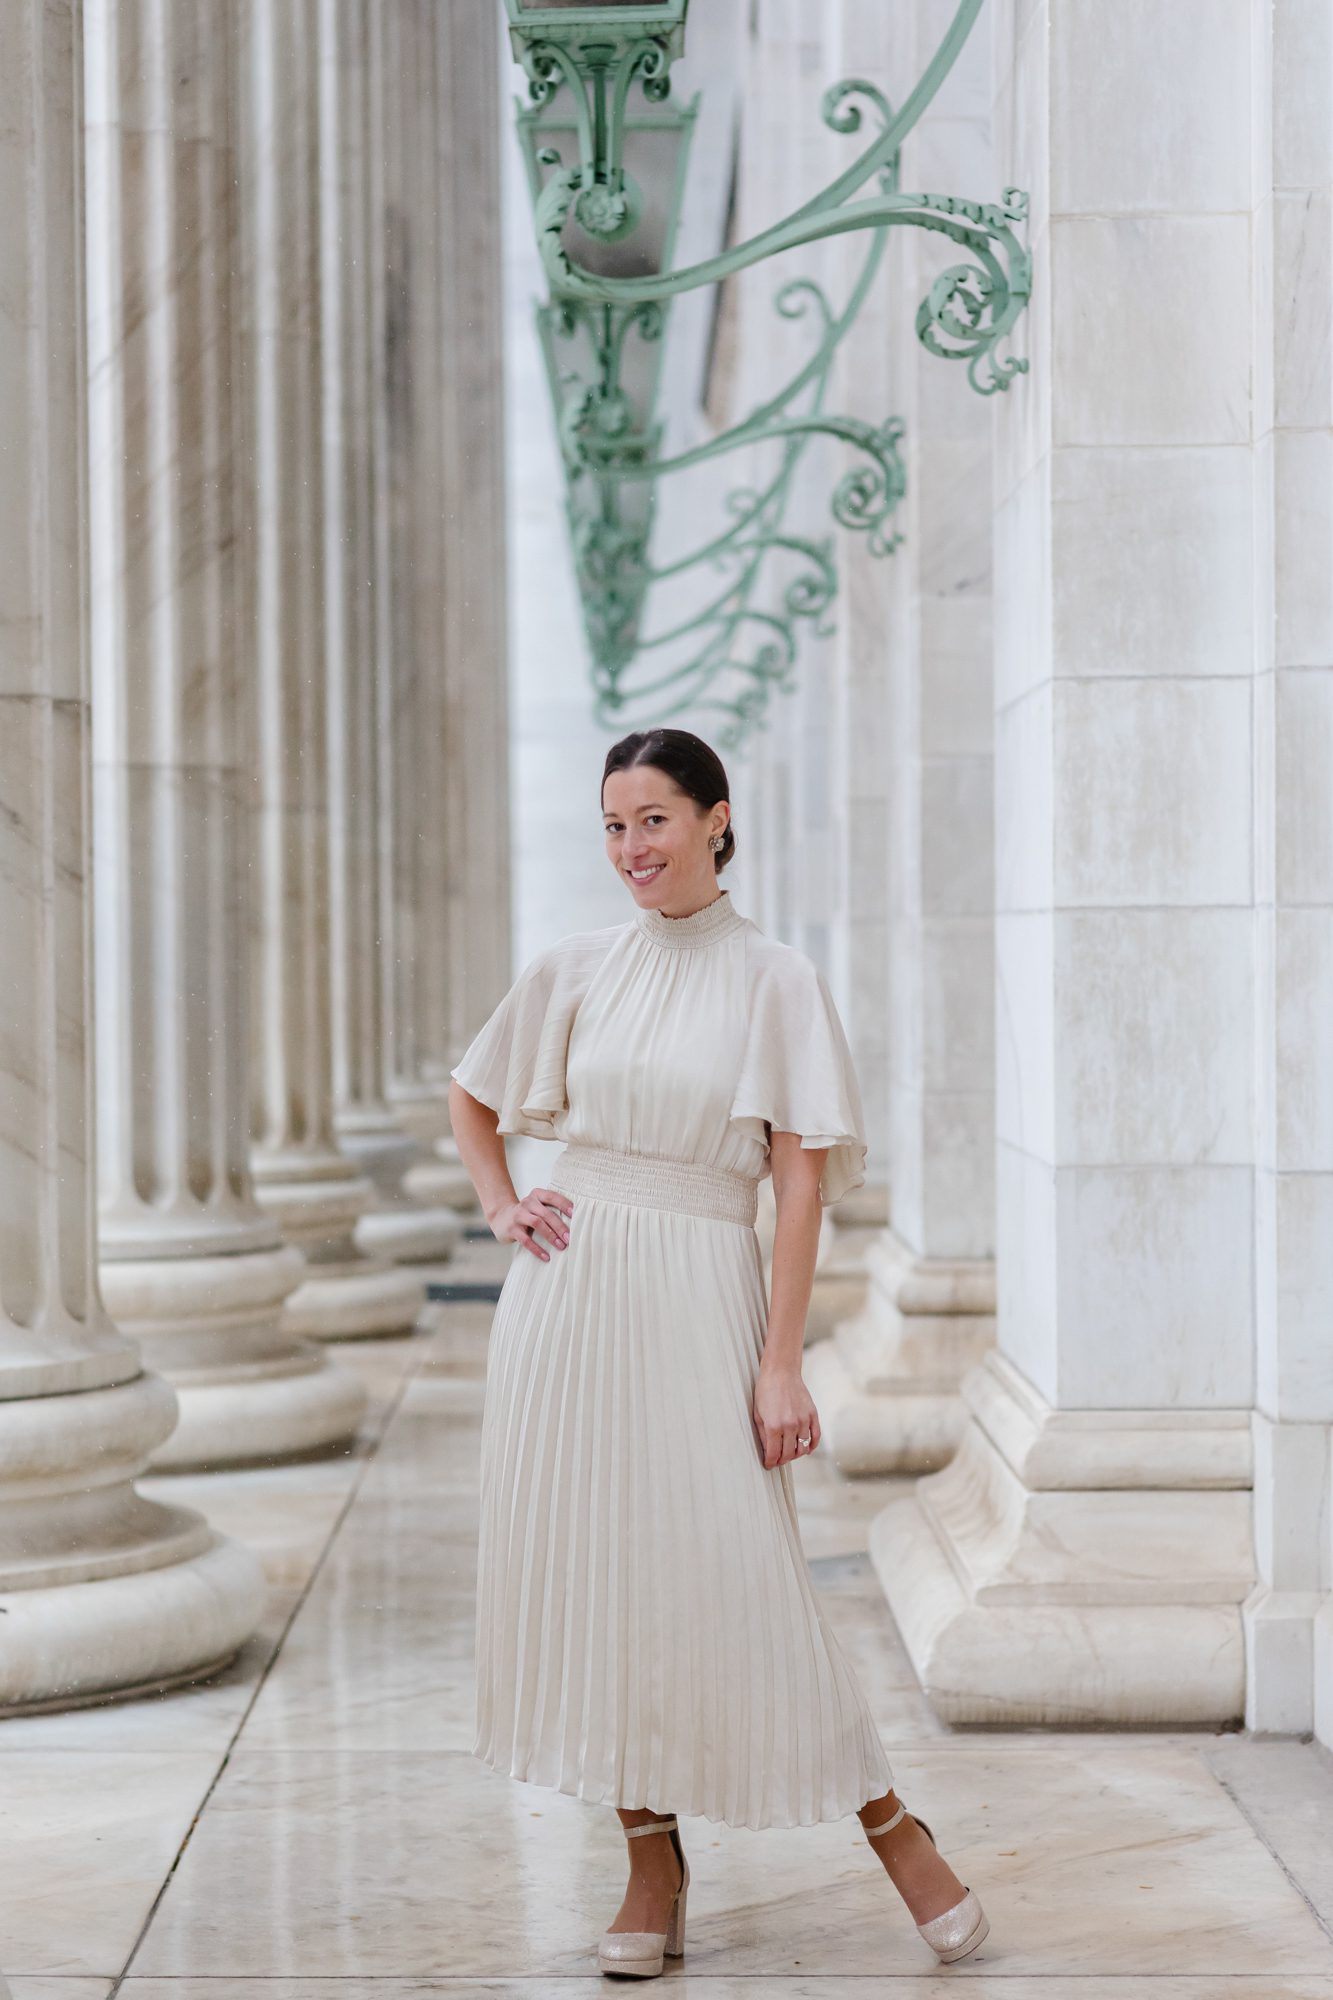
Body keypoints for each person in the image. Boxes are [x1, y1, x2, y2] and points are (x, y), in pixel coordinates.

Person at [448, 728, 989, 1977]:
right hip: (566, 1303)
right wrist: (499, 1204)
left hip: (702, 1285)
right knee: (596, 1575)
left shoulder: (774, 978)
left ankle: (893, 1825)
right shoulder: (576, 966)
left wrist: (781, 1359)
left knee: (738, 1570)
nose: (631, 848)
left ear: (716, 819)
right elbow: (475, 1096)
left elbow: (798, 1190)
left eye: (654, 820)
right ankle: (649, 1854)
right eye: (613, 827)